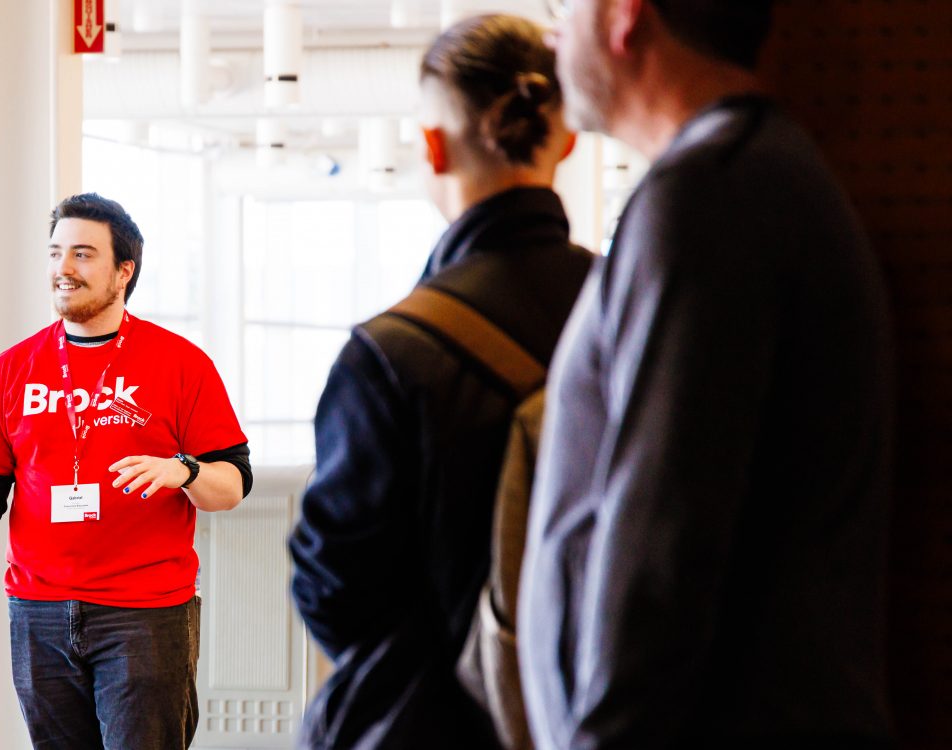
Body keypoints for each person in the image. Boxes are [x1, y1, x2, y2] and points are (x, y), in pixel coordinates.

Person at [519, 2, 894, 749]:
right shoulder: (744, 176)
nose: (555, 34)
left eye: (569, 7)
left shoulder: (708, 197)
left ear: (627, 17)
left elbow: (665, 538)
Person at [288, 15, 592, 748]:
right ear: (568, 139)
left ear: (432, 146)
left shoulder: (392, 351)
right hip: (599, 709)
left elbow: (333, 590)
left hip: (434, 725)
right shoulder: (634, 311)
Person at [0, 193, 251, 750]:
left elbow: (231, 486)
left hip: (143, 615)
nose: (63, 268)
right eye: (56, 253)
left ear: (123, 271)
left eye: (84, 254)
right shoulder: (11, 370)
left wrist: (183, 471)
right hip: (37, 612)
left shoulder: (180, 363)